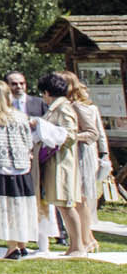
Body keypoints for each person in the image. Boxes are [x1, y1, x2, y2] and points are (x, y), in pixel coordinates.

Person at [0, 80, 37, 257]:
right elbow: (28, 141)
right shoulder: (20, 116)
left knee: (5, 206)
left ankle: (12, 246)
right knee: (21, 204)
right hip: (21, 165)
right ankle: (22, 242)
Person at [41, 72, 96, 258]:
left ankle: (78, 246)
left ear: (47, 92)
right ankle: (75, 245)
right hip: (56, 161)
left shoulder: (63, 108)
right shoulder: (56, 107)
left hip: (62, 162)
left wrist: (48, 133)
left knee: (66, 204)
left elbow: (70, 134)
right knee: (62, 204)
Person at [68, 76, 110, 255]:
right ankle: (89, 238)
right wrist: (104, 153)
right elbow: (100, 133)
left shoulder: (79, 107)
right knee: (83, 198)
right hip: (89, 153)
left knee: (82, 198)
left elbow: (95, 133)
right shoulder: (89, 107)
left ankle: (86, 239)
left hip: (83, 153)